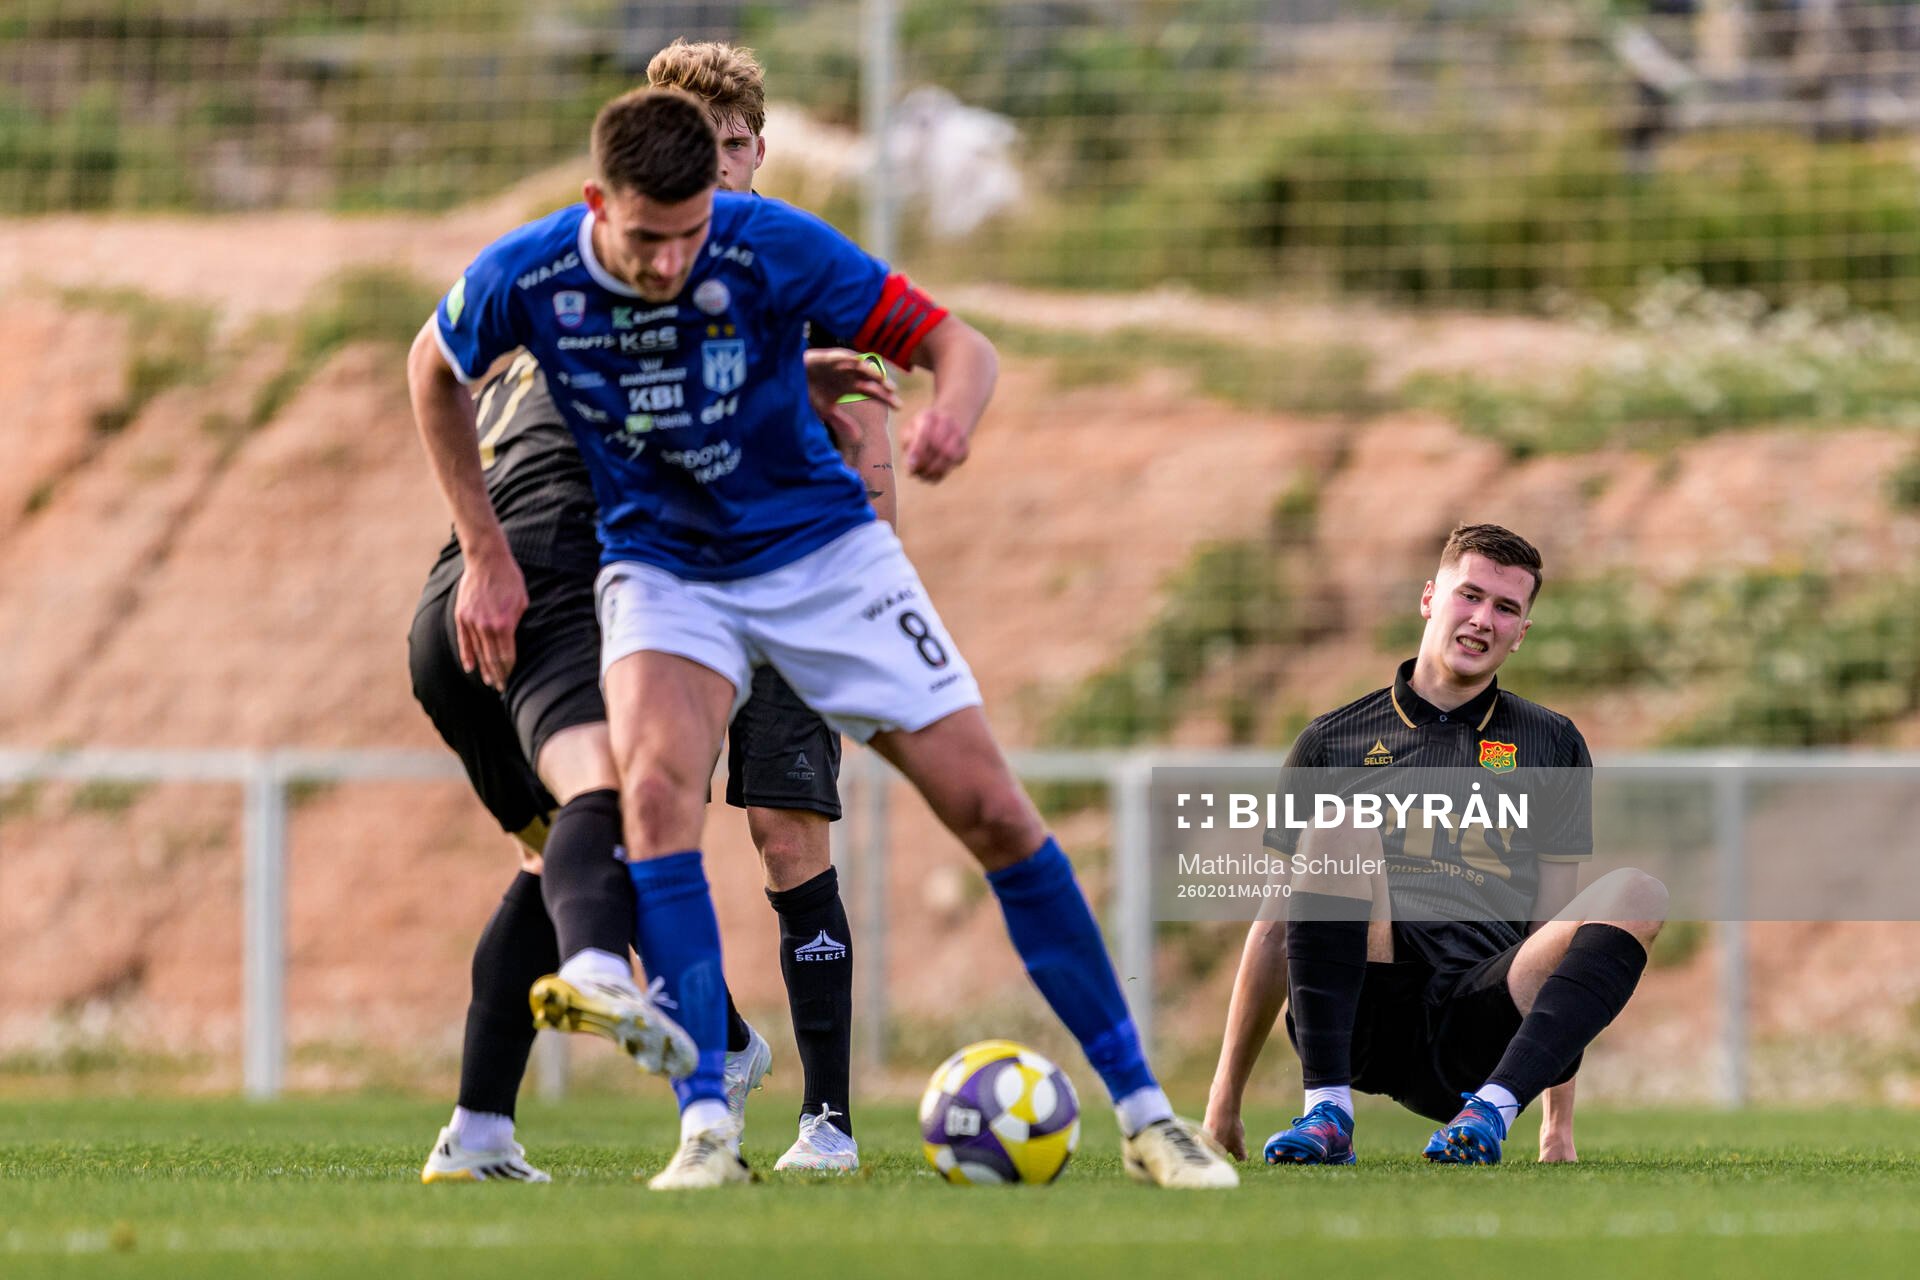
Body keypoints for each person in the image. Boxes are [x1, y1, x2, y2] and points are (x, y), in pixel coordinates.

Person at [409, 87, 1237, 1190]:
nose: (670, 263)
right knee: (650, 794)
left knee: (990, 806)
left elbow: (958, 342)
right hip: (664, 570)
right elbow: (431, 366)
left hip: (823, 557)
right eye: (647, 240)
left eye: (691, 233)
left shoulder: (768, 243)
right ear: (597, 203)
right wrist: (486, 547)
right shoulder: (531, 272)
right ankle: (706, 1127)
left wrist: (954, 413)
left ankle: (1147, 1113)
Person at [411, 44, 894, 1182]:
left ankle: (798, 1108)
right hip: (617, 578)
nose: (711, 180)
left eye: (731, 149)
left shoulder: (772, 261)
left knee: (691, 836)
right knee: (619, 812)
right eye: (693, 154)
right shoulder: (627, 269)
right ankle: (698, 1073)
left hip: (749, 579)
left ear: (757, 149)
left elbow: (861, 423)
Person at [1201, 523, 1668, 1167]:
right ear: (1430, 598)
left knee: (1639, 892)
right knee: (1339, 822)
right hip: (1363, 1007)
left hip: (1480, 1025)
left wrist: (1556, 1126)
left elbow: (1552, 928)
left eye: (1506, 608)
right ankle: (1327, 1113)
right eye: (1469, 595)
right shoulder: (1329, 742)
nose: (1483, 619)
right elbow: (1274, 930)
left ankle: (1490, 1116)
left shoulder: (1552, 744)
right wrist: (1223, 1102)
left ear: (1523, 631)